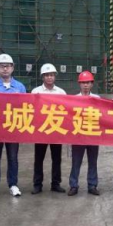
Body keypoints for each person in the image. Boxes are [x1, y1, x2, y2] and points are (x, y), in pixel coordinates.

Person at [0, 53, 26, 197]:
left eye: (8, 66)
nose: (5, 69)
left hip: (13, 128)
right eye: (2, 66)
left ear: (13, 68)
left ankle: (13, 184)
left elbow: (26, 108)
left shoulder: (19, 87)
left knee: (13, 158)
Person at [31, 63, 66, 195]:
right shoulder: (35, 92)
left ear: (55, 76)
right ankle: (37, 184)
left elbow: (67, 110)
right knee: (39, 158)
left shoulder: (61, 92)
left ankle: (55, 184)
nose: (49, 77)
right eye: (46, 75)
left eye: (51, 75)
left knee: (56, 158)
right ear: (42, 77)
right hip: (41, 130)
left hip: (56, 129)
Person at [68, 70, 101, 196]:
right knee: (76, 161)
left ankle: (92, 185)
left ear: (92, 84)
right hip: (78, 135)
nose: (85, 85)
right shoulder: (73, 99)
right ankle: (73, 185)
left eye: (88, 82)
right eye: (83, 83)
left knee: (93, 161)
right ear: (79, 84)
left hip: (93, 135)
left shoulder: (97, 99)